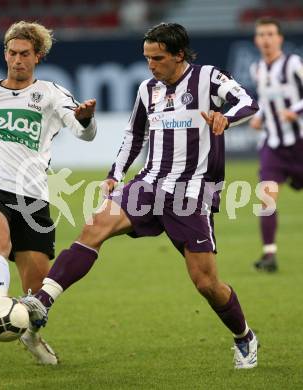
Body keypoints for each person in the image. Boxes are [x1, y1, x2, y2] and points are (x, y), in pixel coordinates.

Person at [22, 22, 260, 369]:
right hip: (148, 184)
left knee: (206, 283)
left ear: (179, 55)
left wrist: (225, 116)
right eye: (147, 58)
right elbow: (133, 136)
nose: (151, 65)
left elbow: (248, 102)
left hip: (190, 192)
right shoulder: (147, 89)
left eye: (158, 58)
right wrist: (114, 176)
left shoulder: (208, 78)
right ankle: (42, 301)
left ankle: (244, 337)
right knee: (94, 228)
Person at [0, 21, 97, 365]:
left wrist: (86, 119)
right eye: (12, 53)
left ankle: (30, 334)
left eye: (25, 54)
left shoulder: (52, 94)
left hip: (32, 195)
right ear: (5, 54)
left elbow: (83, 132)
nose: (17, 60)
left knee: (36, 292)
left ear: (37, 57)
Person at [249, 17, 303, 272]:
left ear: (280, 38)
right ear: (256, 40)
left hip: (300, 143)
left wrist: (295, 110)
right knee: (266, 199)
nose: (266, 39)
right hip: (273, 146)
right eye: (261, 34)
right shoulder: (257, 68)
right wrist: (259, 117)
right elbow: (264, 99)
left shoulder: (292, 64)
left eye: (271, 33)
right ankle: (269, 255)